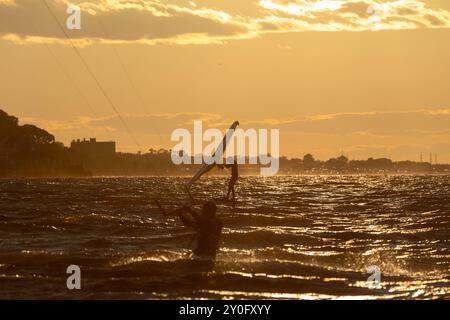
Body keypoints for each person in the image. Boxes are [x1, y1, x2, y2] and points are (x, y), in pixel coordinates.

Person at [154, 200, 222, 260]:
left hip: (206, 250)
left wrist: (191, 211)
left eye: (204, 210)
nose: (202, 212)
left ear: (209, 211)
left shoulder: (214, 222)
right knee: (188, 257)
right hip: (204, 251)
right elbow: (190, 223)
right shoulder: (212, 221)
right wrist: (181, 215)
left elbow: (204, 222)